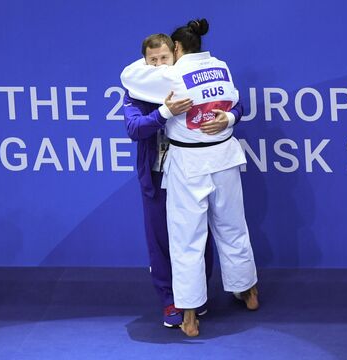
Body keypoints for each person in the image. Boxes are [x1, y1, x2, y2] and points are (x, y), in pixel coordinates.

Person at [121, 19, 258, 337]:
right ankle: (248, 292)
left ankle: (190, 316)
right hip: (224, 156)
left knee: (186, 240)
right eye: (151, 59)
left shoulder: (172, 75)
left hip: (189, 164)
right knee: (233, 229)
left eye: (163, 56)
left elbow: (128, 74)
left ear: (177, 49)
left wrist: (155, 67)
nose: (157, 64)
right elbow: (236, 101)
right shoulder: (221, 67)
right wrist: (228, 116)